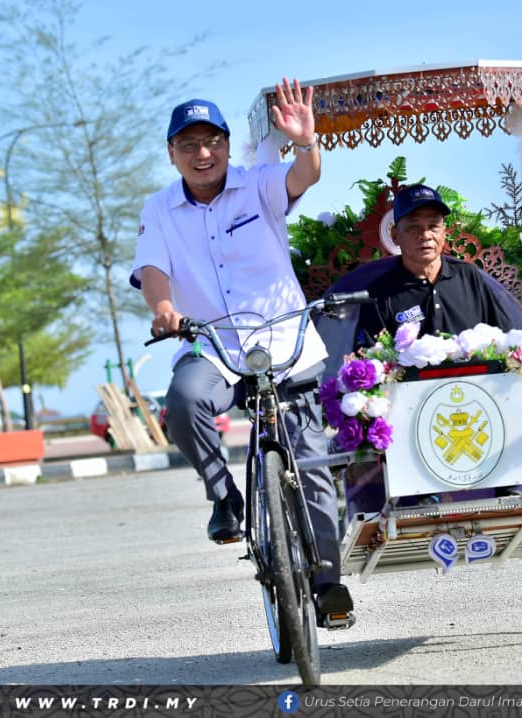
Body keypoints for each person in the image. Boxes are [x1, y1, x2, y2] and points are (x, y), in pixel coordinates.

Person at [132, 79, 353, 624]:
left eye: (212, 142)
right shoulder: (159, 208)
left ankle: (327, 583)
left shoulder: (258, 186)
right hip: (212, 345)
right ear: (172, 154)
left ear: (228, 147)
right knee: (184, 401)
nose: (202, 154)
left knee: (311, 464)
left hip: (285, 344)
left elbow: (304, 176)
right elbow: (153, 269)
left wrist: (305, 142)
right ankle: (224, 496)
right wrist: (164, 309)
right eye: (189, 145)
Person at [352, 183, 522, 377]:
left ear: (444, 232)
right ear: (395, 236)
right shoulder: (379, 295)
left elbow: (510, 341)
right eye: (413, 227)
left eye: (433, 226)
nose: (426, 235)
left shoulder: (469, 277)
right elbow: (369, 363)